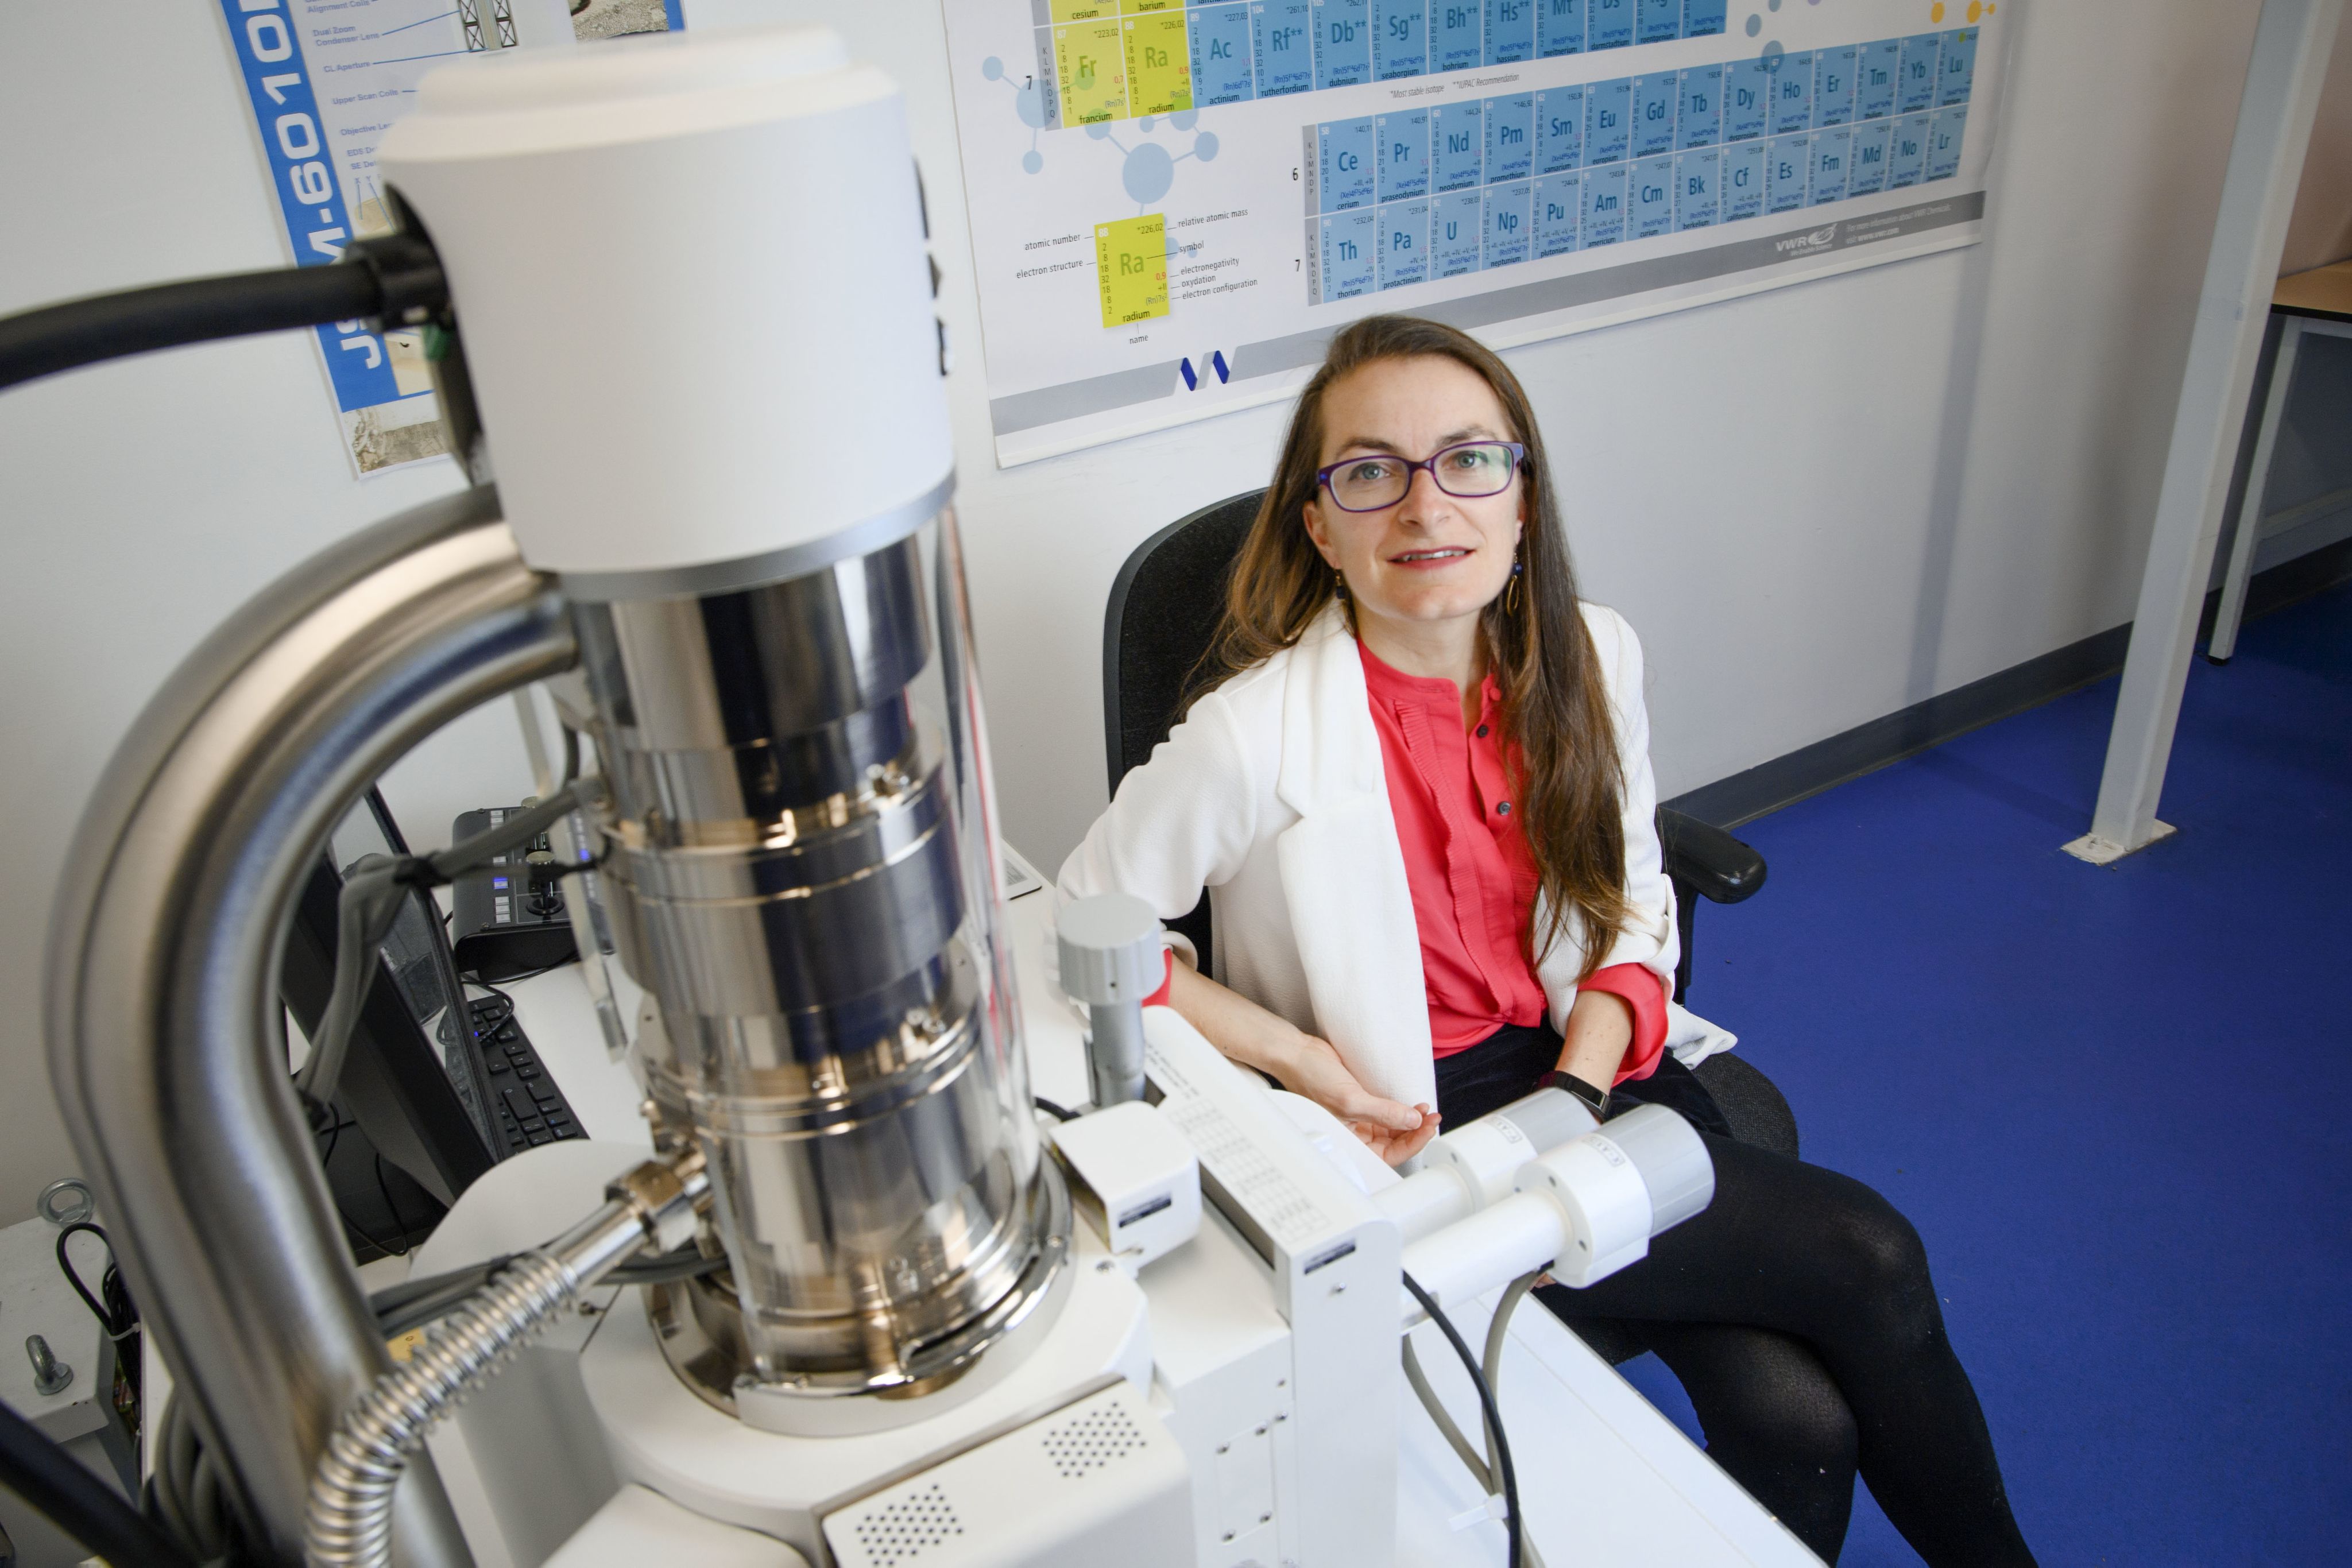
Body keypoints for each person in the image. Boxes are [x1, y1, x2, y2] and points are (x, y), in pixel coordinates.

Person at [1057, 314, 2038, 1566]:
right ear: (1319, 524)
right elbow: (1084, 934)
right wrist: (1294, 1057)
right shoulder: (1246, 736)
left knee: (1793, 1413)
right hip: (1414, 1127)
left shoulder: (1588, 653)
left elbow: (1630, 897)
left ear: (1521, 497)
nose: (1425, 505)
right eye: (1370, 472)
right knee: (1868, 1255)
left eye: (1468, 460)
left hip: (1587, 1062)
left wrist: (1580, 1079)